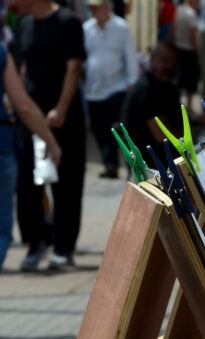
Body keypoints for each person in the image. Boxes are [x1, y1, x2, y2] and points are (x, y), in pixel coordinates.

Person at [13, 0, 85, 271]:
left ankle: (64, 248)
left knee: (66, 186)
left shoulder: (68, 22)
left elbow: (73, 67)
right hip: (32, 120)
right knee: (27, 186)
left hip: (62, 118)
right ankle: (36, 241)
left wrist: (61, 109)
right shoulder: (23, 24)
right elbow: (22, 69)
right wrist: (20, 108)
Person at [0, 41, 62, 271]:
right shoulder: (2, 53)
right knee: (3, 220)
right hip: (3, 143)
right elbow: (23, 105)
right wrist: (51, 141)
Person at [83, 0, 138, 179]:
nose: (94, 10)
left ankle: (119, 163)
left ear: (107, 7)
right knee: (98, 128)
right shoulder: (87, 29)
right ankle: (109, 163)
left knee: (114, 128)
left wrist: (132, 80)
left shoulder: (121, 27)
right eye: (91, 7)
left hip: (116, 86)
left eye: (97, 7)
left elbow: (129, 53)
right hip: (93, 88)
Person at [121, 43, 181, 164]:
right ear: (152, 59)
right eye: (164, 60)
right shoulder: (147, 89)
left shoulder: (163, 86)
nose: (169, 66)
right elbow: (160, 135)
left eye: (174, 63)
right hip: (151, 165)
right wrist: (185, 134)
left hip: (162, 159)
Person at [172, 0, 201, 114]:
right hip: (189, 51)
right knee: (190, 81)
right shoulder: (191, 14)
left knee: (180, 79)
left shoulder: (178, 10)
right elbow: (193, 35)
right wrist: (198, 54)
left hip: (179, 48)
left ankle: (178, 106)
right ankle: (188, 107)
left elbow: (173, 28)